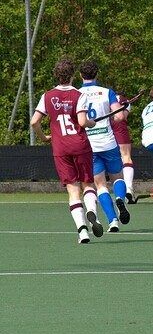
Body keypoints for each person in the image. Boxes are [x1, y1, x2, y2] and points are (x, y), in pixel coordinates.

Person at [30, 58, 104, 244]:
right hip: (80, 145)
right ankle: (92, 212)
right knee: (88, 184)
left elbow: (34, 122)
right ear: (72, 75)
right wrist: (92, 122)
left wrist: (43, 137)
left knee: (72, 190)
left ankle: (82, 232)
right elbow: (81, 122)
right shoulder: (79, 95)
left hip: (60, 147)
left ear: (56, 75)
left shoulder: (47, 96)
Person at [77, 61, 131, 233]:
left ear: (80, 76)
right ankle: (121, 199)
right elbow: (119, 117)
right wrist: (121, 110)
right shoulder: (107, 92)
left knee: (100, 185)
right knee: (117, 177)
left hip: (89, 146)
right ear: (97, 74)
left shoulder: (76, 94)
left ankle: (113, 221)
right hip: (108, 142)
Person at [112, 92, 136, 203]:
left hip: (104, 129)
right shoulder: (123, 99)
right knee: (126, 157)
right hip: (119, 127)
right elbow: (123, 117)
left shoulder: (102, 95)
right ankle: (129, 189)